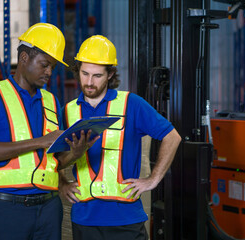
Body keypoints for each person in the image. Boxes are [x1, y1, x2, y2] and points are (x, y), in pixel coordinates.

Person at [0, 23, 98, 240]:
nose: (49, 72)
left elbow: (52, 161)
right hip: (6, 210)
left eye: (52, 67)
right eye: (44, 65)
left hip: (48, 209)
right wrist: (39, 141)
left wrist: (75, 153)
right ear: (24, 58)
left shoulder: (50, 101)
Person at [59, 35, 181, 240]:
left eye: (97, 75)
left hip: (126, 220)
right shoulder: (68, 112)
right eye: (84, 73)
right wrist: (62, 183)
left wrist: (153, 180)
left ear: (110, 74)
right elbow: (53, 157)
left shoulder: (131, 104)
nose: (89, 82)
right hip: (85, 219)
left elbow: (172, 136)